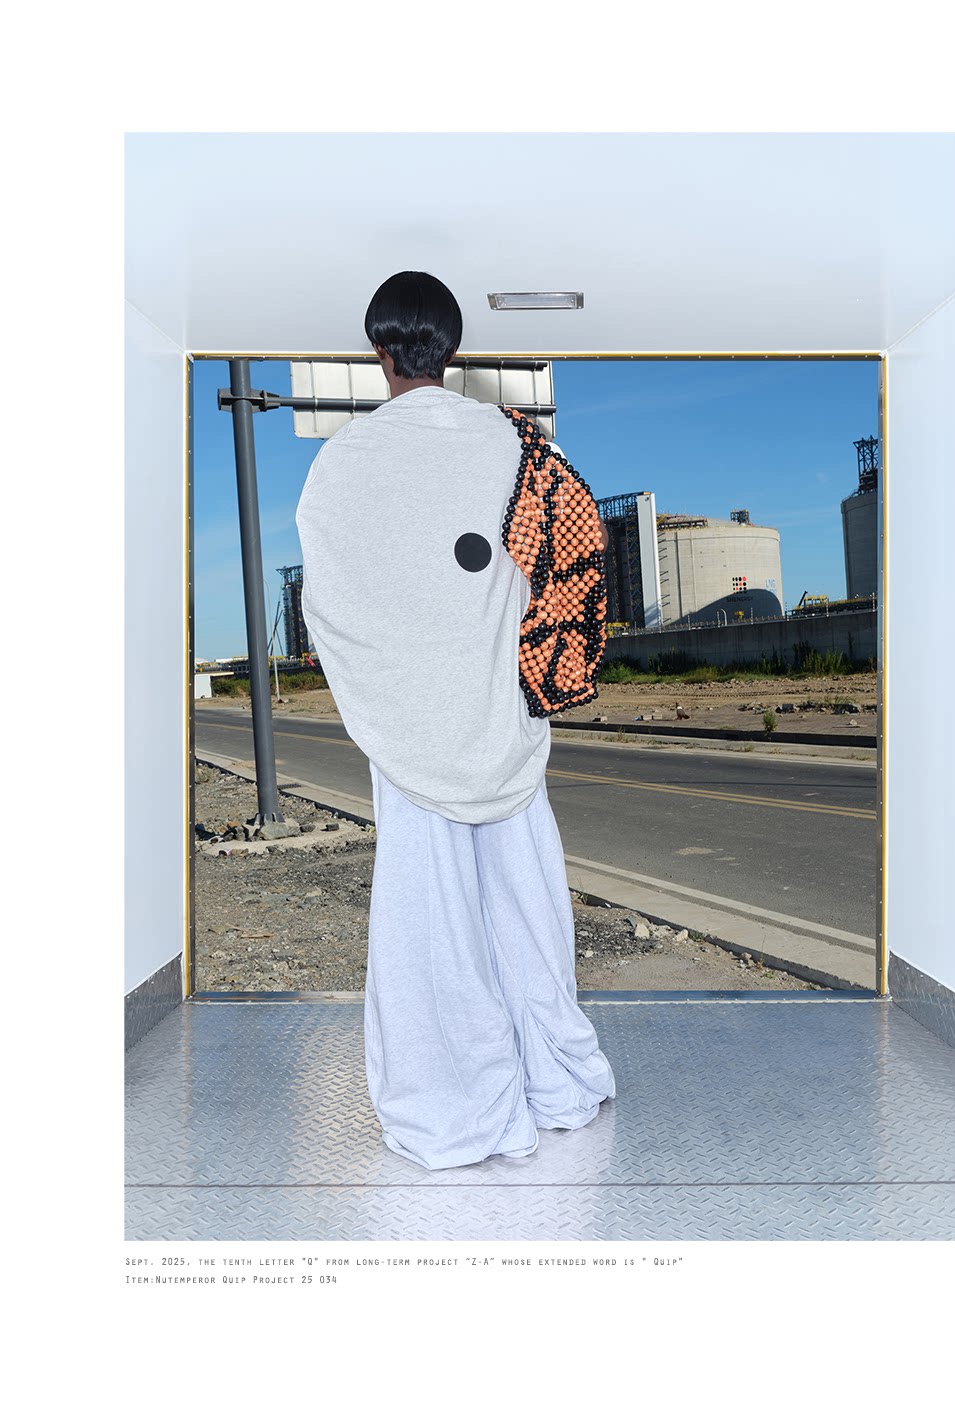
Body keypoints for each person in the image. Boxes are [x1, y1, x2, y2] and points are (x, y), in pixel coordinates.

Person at [295, 270, 616, 1170]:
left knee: (430, 933)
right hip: (502, 724)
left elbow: (329, 609)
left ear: (379, 352)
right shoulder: (515, 443)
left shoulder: (343, 464)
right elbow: (559, 571)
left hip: (411, 734)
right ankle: (558, 1084)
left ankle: (460, 1113)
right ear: (454, 348)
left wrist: (387, 697)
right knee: (528, 914)